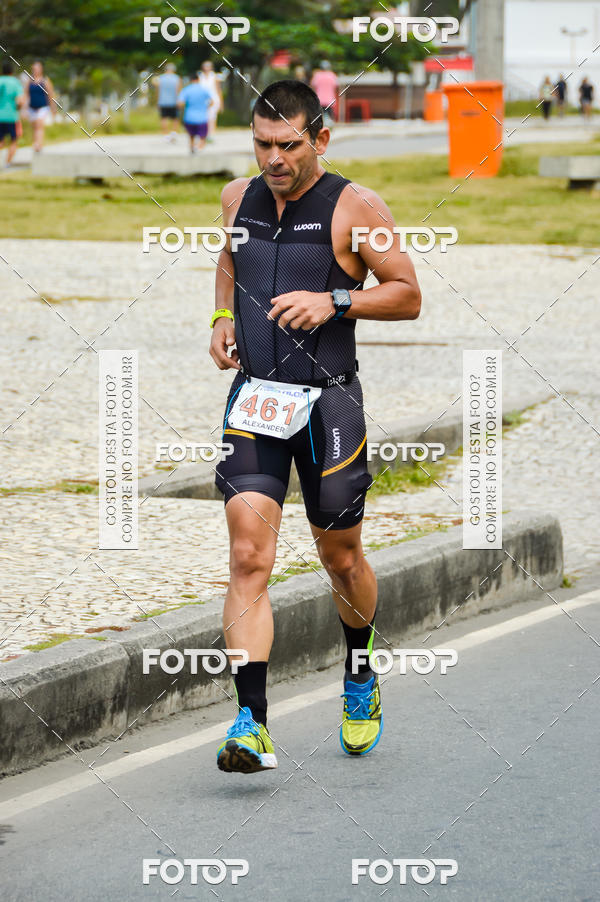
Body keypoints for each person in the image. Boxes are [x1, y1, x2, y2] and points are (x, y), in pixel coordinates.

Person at [210, 80, 421, 773]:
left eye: (289, 145)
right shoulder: (236, 197)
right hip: (256, 402)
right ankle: (252, 723)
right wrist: (219, 320)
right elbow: (229, 259)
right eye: (263, 144)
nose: (274, 159)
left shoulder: (355, 206)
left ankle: (359, 672)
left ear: (320, 139)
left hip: (328, 405)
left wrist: (335, 299)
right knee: (248, 557)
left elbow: (407, 294)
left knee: (341, 557)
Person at [177, 71, 214, 153]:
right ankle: (199, 148)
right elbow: (212, 102)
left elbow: (180, 103)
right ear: (198, 79)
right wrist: (205, 107)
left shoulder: (186, 90)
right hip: (202, 118)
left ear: (190, 80)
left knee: (191, 136)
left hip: (189, 117)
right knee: (202, 137)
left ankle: (192, 147)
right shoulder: (204, 89)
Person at [25, 61, 55, 152]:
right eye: (33, 69)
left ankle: (38, 144)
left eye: (36, 69)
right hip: (32, 107)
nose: (35, 70)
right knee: (34, 127)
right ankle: (36, 143)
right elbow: (26, 94)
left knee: (39, 125)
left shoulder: (45, 80)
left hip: (42, 107)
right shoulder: (29, 81)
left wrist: (53, 108)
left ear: (41, 69)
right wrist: (24, 108)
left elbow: (50, 94)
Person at [0, 61, 25, 167]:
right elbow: (20, 101)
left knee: (1, 141)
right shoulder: (15, 82)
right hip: (11, 117)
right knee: (14, 141)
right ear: (12, 71)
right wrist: (18, 109)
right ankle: (7, 163)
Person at [153, 63, 181, 141]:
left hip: (162, 101)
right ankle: (174, 133)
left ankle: (165, 134)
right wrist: (179, 101)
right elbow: (178, 90)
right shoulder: (177, 78)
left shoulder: (160, 78)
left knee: (163, 118)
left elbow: (158, 91)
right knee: (175, 118)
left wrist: (157, 101)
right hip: (174, 101)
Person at [198, 61, 223, 142]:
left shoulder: (215, 76)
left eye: (208, 66)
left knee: (212, 117)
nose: (207, 68)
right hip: (202, 100)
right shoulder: (200, 76)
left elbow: (219, 90)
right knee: (203, 117)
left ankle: (210, 134)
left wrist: (221, 103)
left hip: (214, 99)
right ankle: (203, 134)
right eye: (205, 66)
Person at [310, 61, 338, 126]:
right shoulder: (332, 75)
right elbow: (335, 86)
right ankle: (331, 126)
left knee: (320, 115)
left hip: (320, 99)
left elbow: (313, 86)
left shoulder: (317, 75)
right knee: (330, 114)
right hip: (330, 99)